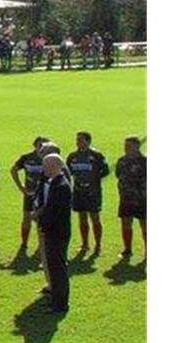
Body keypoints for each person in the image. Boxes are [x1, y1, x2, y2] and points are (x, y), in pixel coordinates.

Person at [35, 154, 73, 313]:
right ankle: (56, 300)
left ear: (55, 166)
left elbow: (53, 212)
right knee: (54, 268)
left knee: (58, 269)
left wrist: (40, 219)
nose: (44, 169)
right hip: (55, 231)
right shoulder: (56, 183)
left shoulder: (61, 186)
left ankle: (60, 304)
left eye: (46, 166)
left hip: (57, 232)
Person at [66, 131, 111, 254]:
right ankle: (85, 244)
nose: (78, 142)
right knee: (82, 218)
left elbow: (105, 171)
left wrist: (93, 180)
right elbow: (67, 172)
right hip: (78, 191)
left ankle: (98, 245)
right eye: (77, 139)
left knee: (95, 218)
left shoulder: (97, 155)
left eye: (80, 139)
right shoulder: (72, 156)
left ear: (88, 141)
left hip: (93, 192)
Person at [10, 137, 50, 254]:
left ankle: (41, 244)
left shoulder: (48, 159)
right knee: (26, 218)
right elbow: (13, 170)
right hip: (30, 194)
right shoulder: (26, 158)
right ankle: (24, 243)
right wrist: (20, 187)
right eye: (40, 145)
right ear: (35, 145)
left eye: (44, 146)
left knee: (43, 219)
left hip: (44, 194)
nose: (42, 148)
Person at [116, 136, 147, 259]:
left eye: (129, 146)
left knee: (145, 226)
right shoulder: (122, 161)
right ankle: (127, 249)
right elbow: (119, 175)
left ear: (137, 147)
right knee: (126, 224)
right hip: (126, 199)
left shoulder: (145, 162)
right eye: (125, 146)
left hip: (142, 199)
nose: (126, 148)